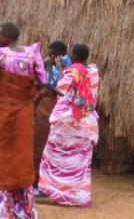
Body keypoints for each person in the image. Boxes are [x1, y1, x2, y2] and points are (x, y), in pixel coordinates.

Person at [0, 22, 46, 219]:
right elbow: (43, 82)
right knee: (21, 156)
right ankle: (23, 208)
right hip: (23, 112)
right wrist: (27, 99)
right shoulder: (33, 53)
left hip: (1, 110)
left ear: (8, 36)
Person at [38, 43, 100, 207]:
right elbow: (88, 95)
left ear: (73, 55)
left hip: (68, 122)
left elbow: (60, 89)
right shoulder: (93, 72)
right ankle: (79, 196)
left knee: (55, 156)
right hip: (87, 122)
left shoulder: (71, 72)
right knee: (80, 161)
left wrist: (56, 68)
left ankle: (53, 191)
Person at [34, 40, 70, 178]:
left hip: (52, 106)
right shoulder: (52, 65)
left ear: (58, 54)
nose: (48, 57)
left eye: (51, 54)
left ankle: (44, 178)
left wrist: (48, 69)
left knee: (44, 141)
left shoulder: (65, 68)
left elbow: (53, 87)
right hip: (45, 104)